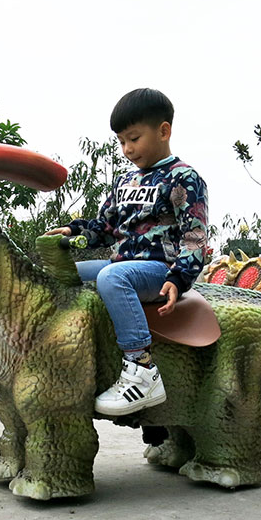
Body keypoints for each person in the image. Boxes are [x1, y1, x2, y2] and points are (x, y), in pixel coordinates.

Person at [46, 88, 208, 416]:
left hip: (159, 268)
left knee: (111, 277)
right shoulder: (124, 181)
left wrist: (180, 277)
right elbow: (106, 226)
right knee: (65, 273)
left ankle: (141, 368)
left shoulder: (184, 179)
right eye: (121, 141)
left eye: (134, 138)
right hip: (121, 263)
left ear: (164, 131)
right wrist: (75, 229)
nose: (127, 149)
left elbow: (194, 235)